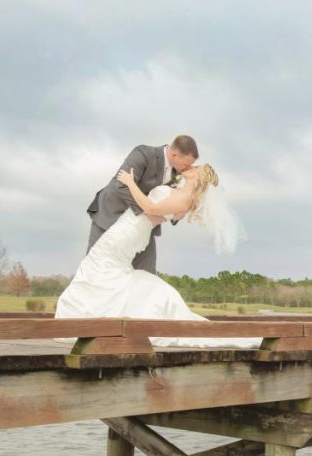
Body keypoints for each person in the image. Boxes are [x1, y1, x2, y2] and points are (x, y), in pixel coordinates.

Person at [57, 162, 256, 349]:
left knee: (100, 263)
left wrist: (130, 183)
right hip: (131, 229)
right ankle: (93, 320)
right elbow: (159, 213)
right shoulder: (180, 195)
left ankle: (85, 320)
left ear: (199, 178)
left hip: (129, 231)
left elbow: (150, 208)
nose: (191, 166)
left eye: (196, 167)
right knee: (106, 268)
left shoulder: (183, 200)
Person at [86, 135, 199, 274]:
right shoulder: (143, 154)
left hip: (144, 228)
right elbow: (121, 186)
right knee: (95, 268)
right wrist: (149, 212)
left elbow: (173, 205)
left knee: (146, 272)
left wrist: (177, 212)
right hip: (111, 215)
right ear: (174, 154)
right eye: (186, 164)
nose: (188, 168)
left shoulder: (179, 174)